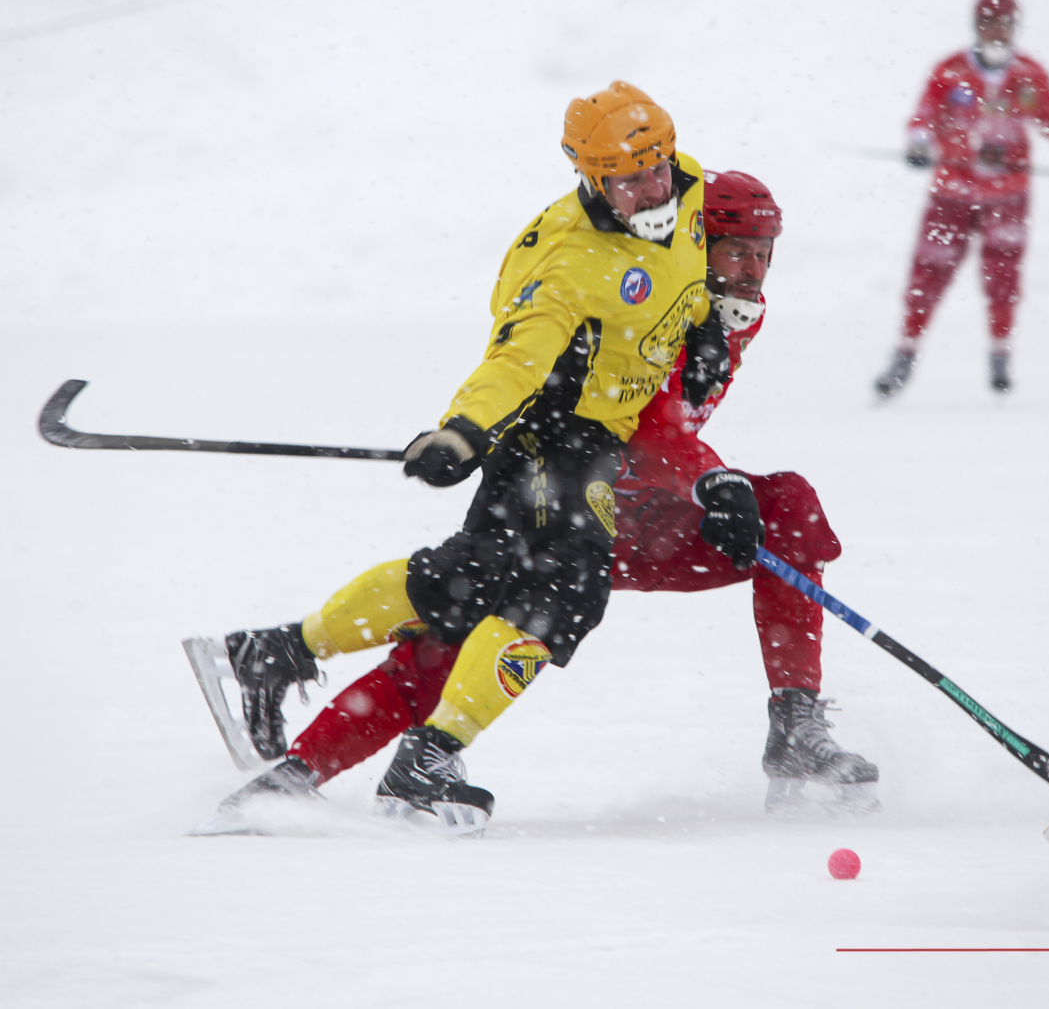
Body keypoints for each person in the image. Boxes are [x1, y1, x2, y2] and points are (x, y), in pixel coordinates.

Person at [194, 170, 878, 835]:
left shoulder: (731, 310)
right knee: (459, 632)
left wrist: (707, 485)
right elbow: (648, 419)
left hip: (647, 518)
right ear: (701, 243)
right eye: (737, 249)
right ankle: (297, 773)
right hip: (572, 494)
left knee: (789, 506)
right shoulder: (661, 289)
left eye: (765, 252)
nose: (754, 268)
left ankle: (795, 726)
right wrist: (712, 479)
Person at [211, 82, 735, 833]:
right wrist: (462, 431)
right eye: (628, 178)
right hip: (555, 438)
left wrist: (706, 321)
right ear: (588, 173)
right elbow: (515, 361)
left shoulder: (685, 188)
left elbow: (691, 260)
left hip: (601, 439)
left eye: (657, 169)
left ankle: (280, 649)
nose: (651, 188)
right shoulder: (565, 257)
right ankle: (428, 761)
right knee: (563, 596)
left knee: (470, 578)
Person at [874, 0, 1049, 399]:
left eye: (1002, 23)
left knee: (1004, 277)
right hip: (952, 192)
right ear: (976, 26)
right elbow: (924, 117)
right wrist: (918, 145)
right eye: (987, 22)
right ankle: (905, 351)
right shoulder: (951, 71)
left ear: (1014, 27)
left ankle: (1000, 354)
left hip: (1008, 196)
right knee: (929, 271)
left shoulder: (1029, 75)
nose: (995, 30)